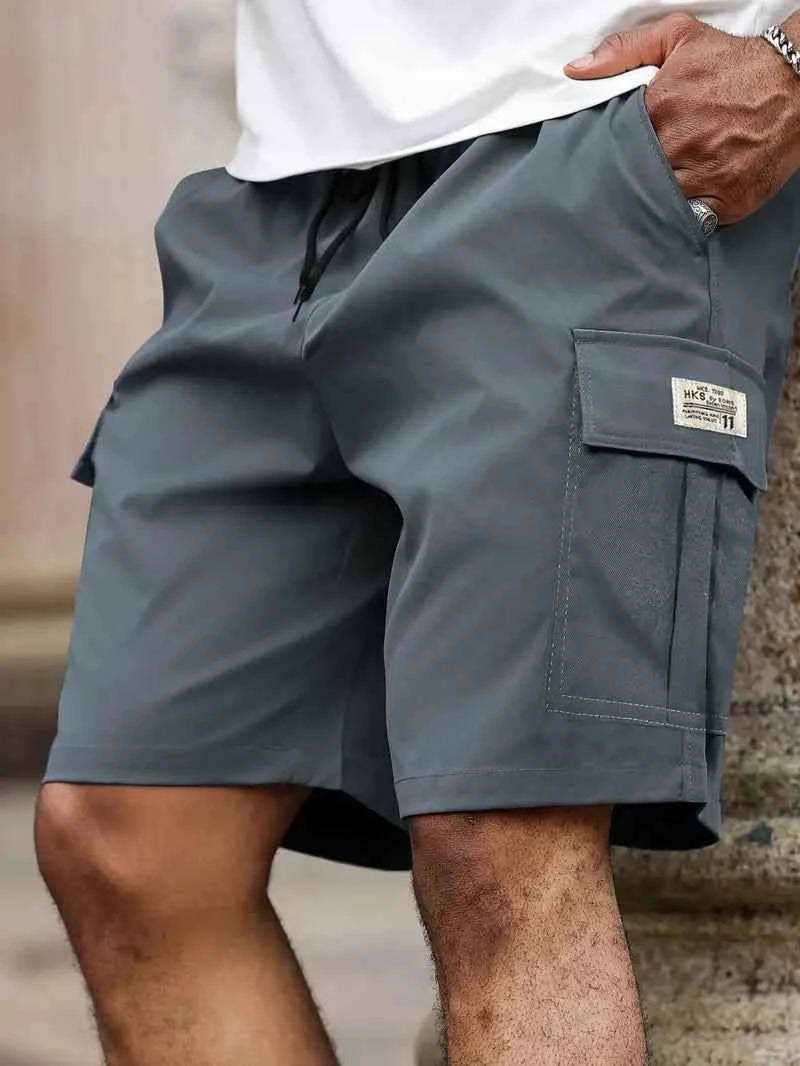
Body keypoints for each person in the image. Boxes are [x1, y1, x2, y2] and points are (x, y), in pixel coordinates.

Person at [34, 3, 800, 1063]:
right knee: (129, 838)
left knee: (501, 840)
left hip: (590, 138)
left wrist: (788, 61)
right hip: (284, 179)